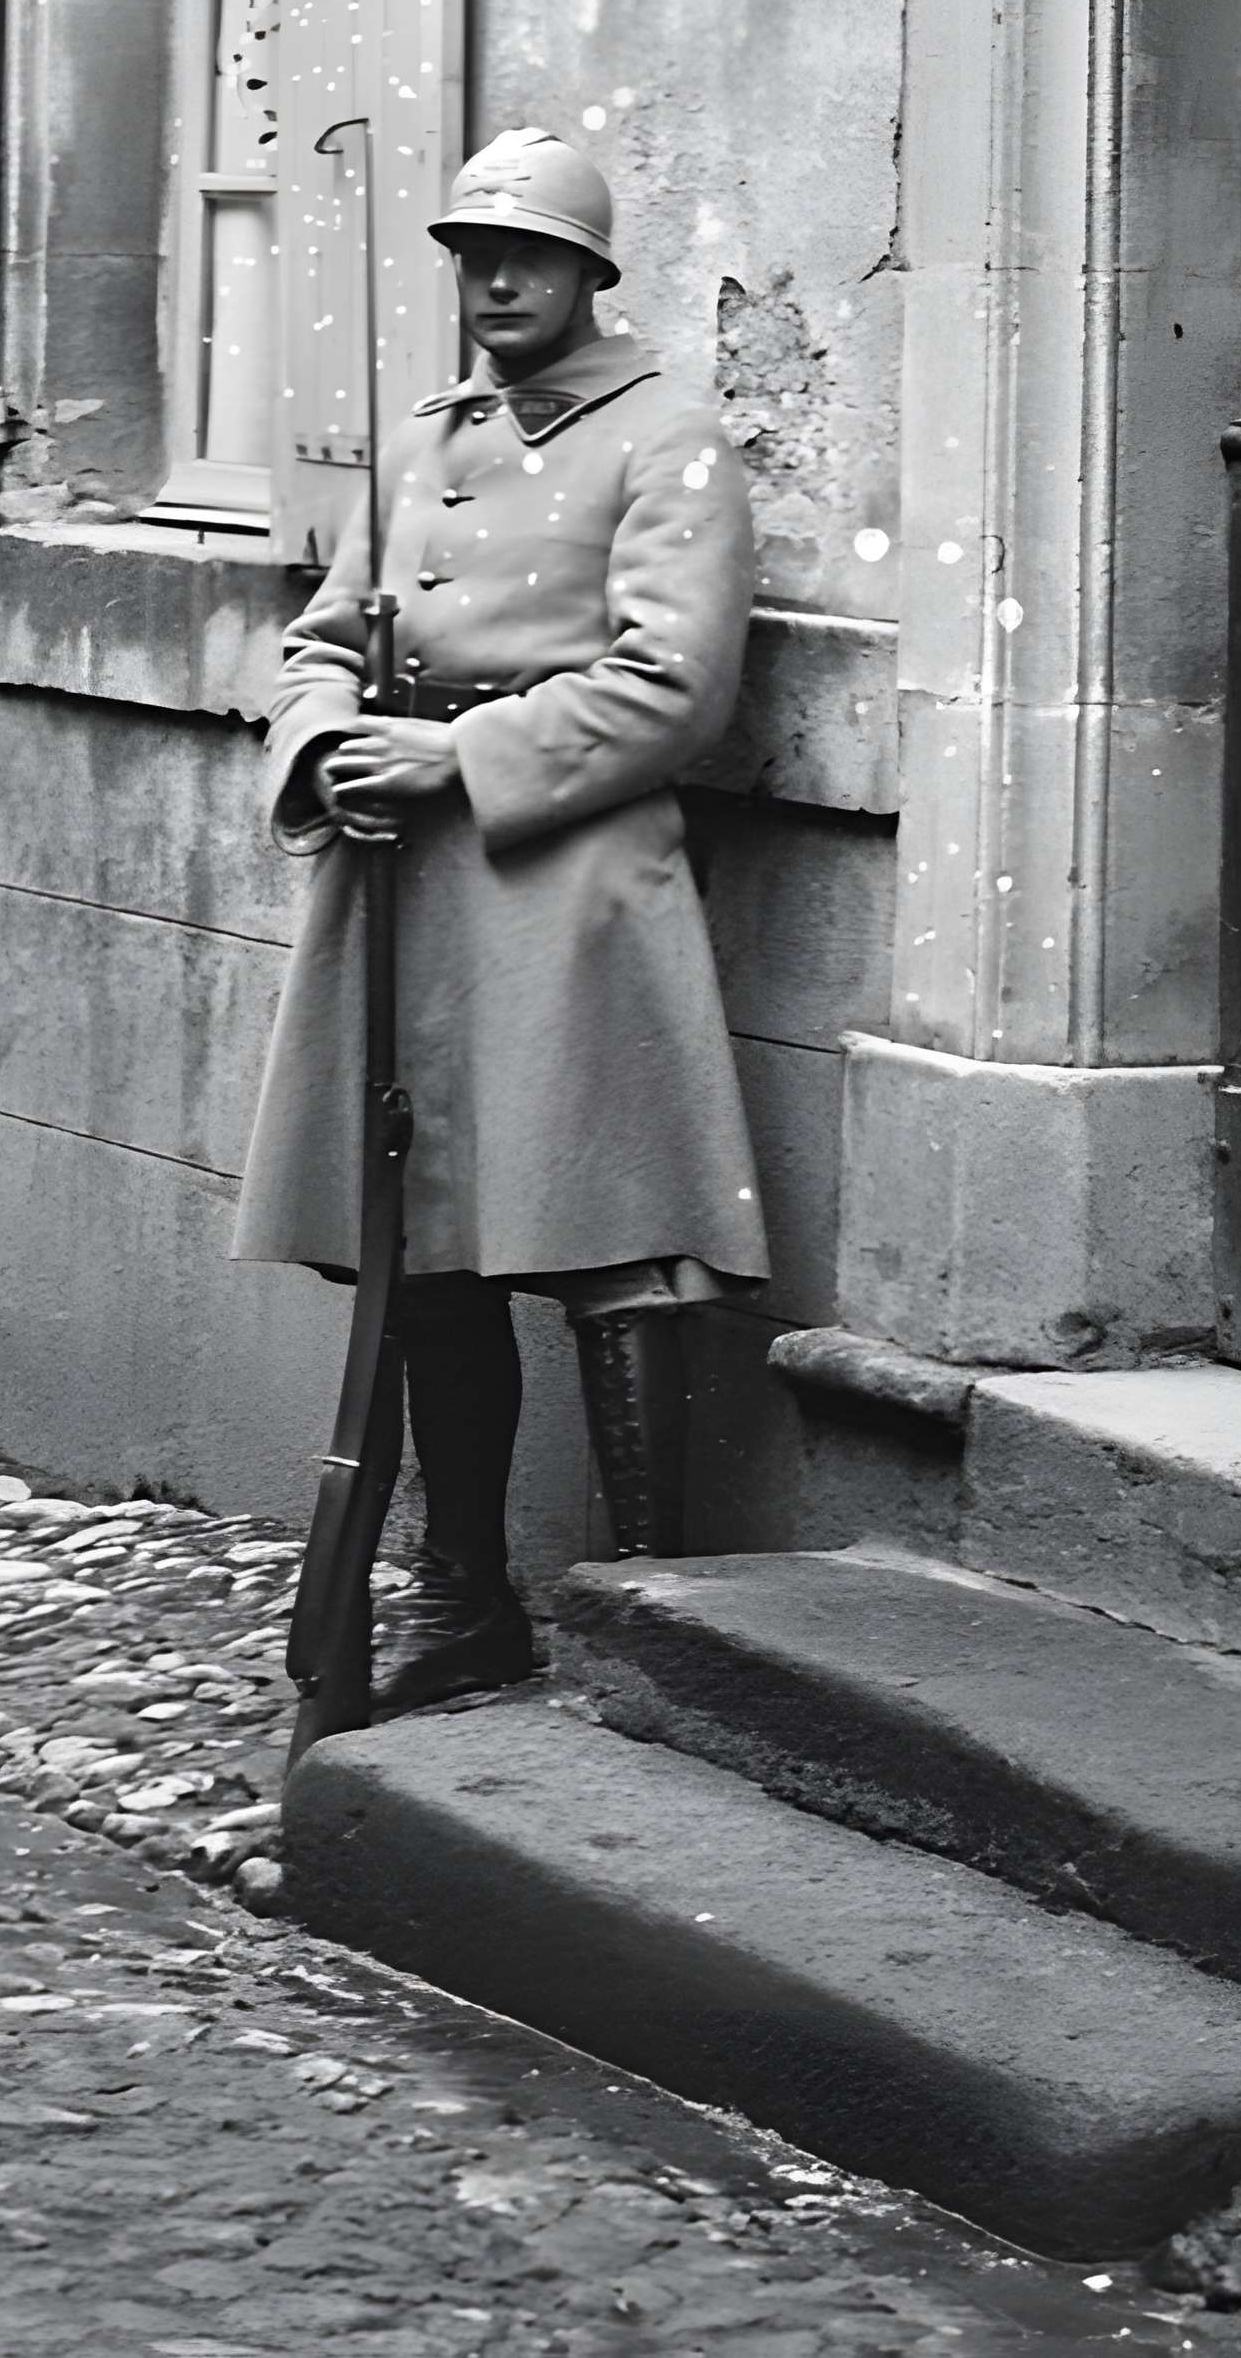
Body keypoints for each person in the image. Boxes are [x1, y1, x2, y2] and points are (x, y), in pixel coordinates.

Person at [233, 130, 765, 1715]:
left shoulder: (669, 439)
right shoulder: (424, 436)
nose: (496, 279)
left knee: (611, 1248)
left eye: (529, 252)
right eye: (473, 251)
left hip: (569, 889)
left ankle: (649, 1626)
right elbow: (321, 636)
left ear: (595, 271)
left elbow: (678, 684)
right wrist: (328, 743)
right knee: (425, 1262)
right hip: (401, 886)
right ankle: (465, 1597)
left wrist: (459, 756)